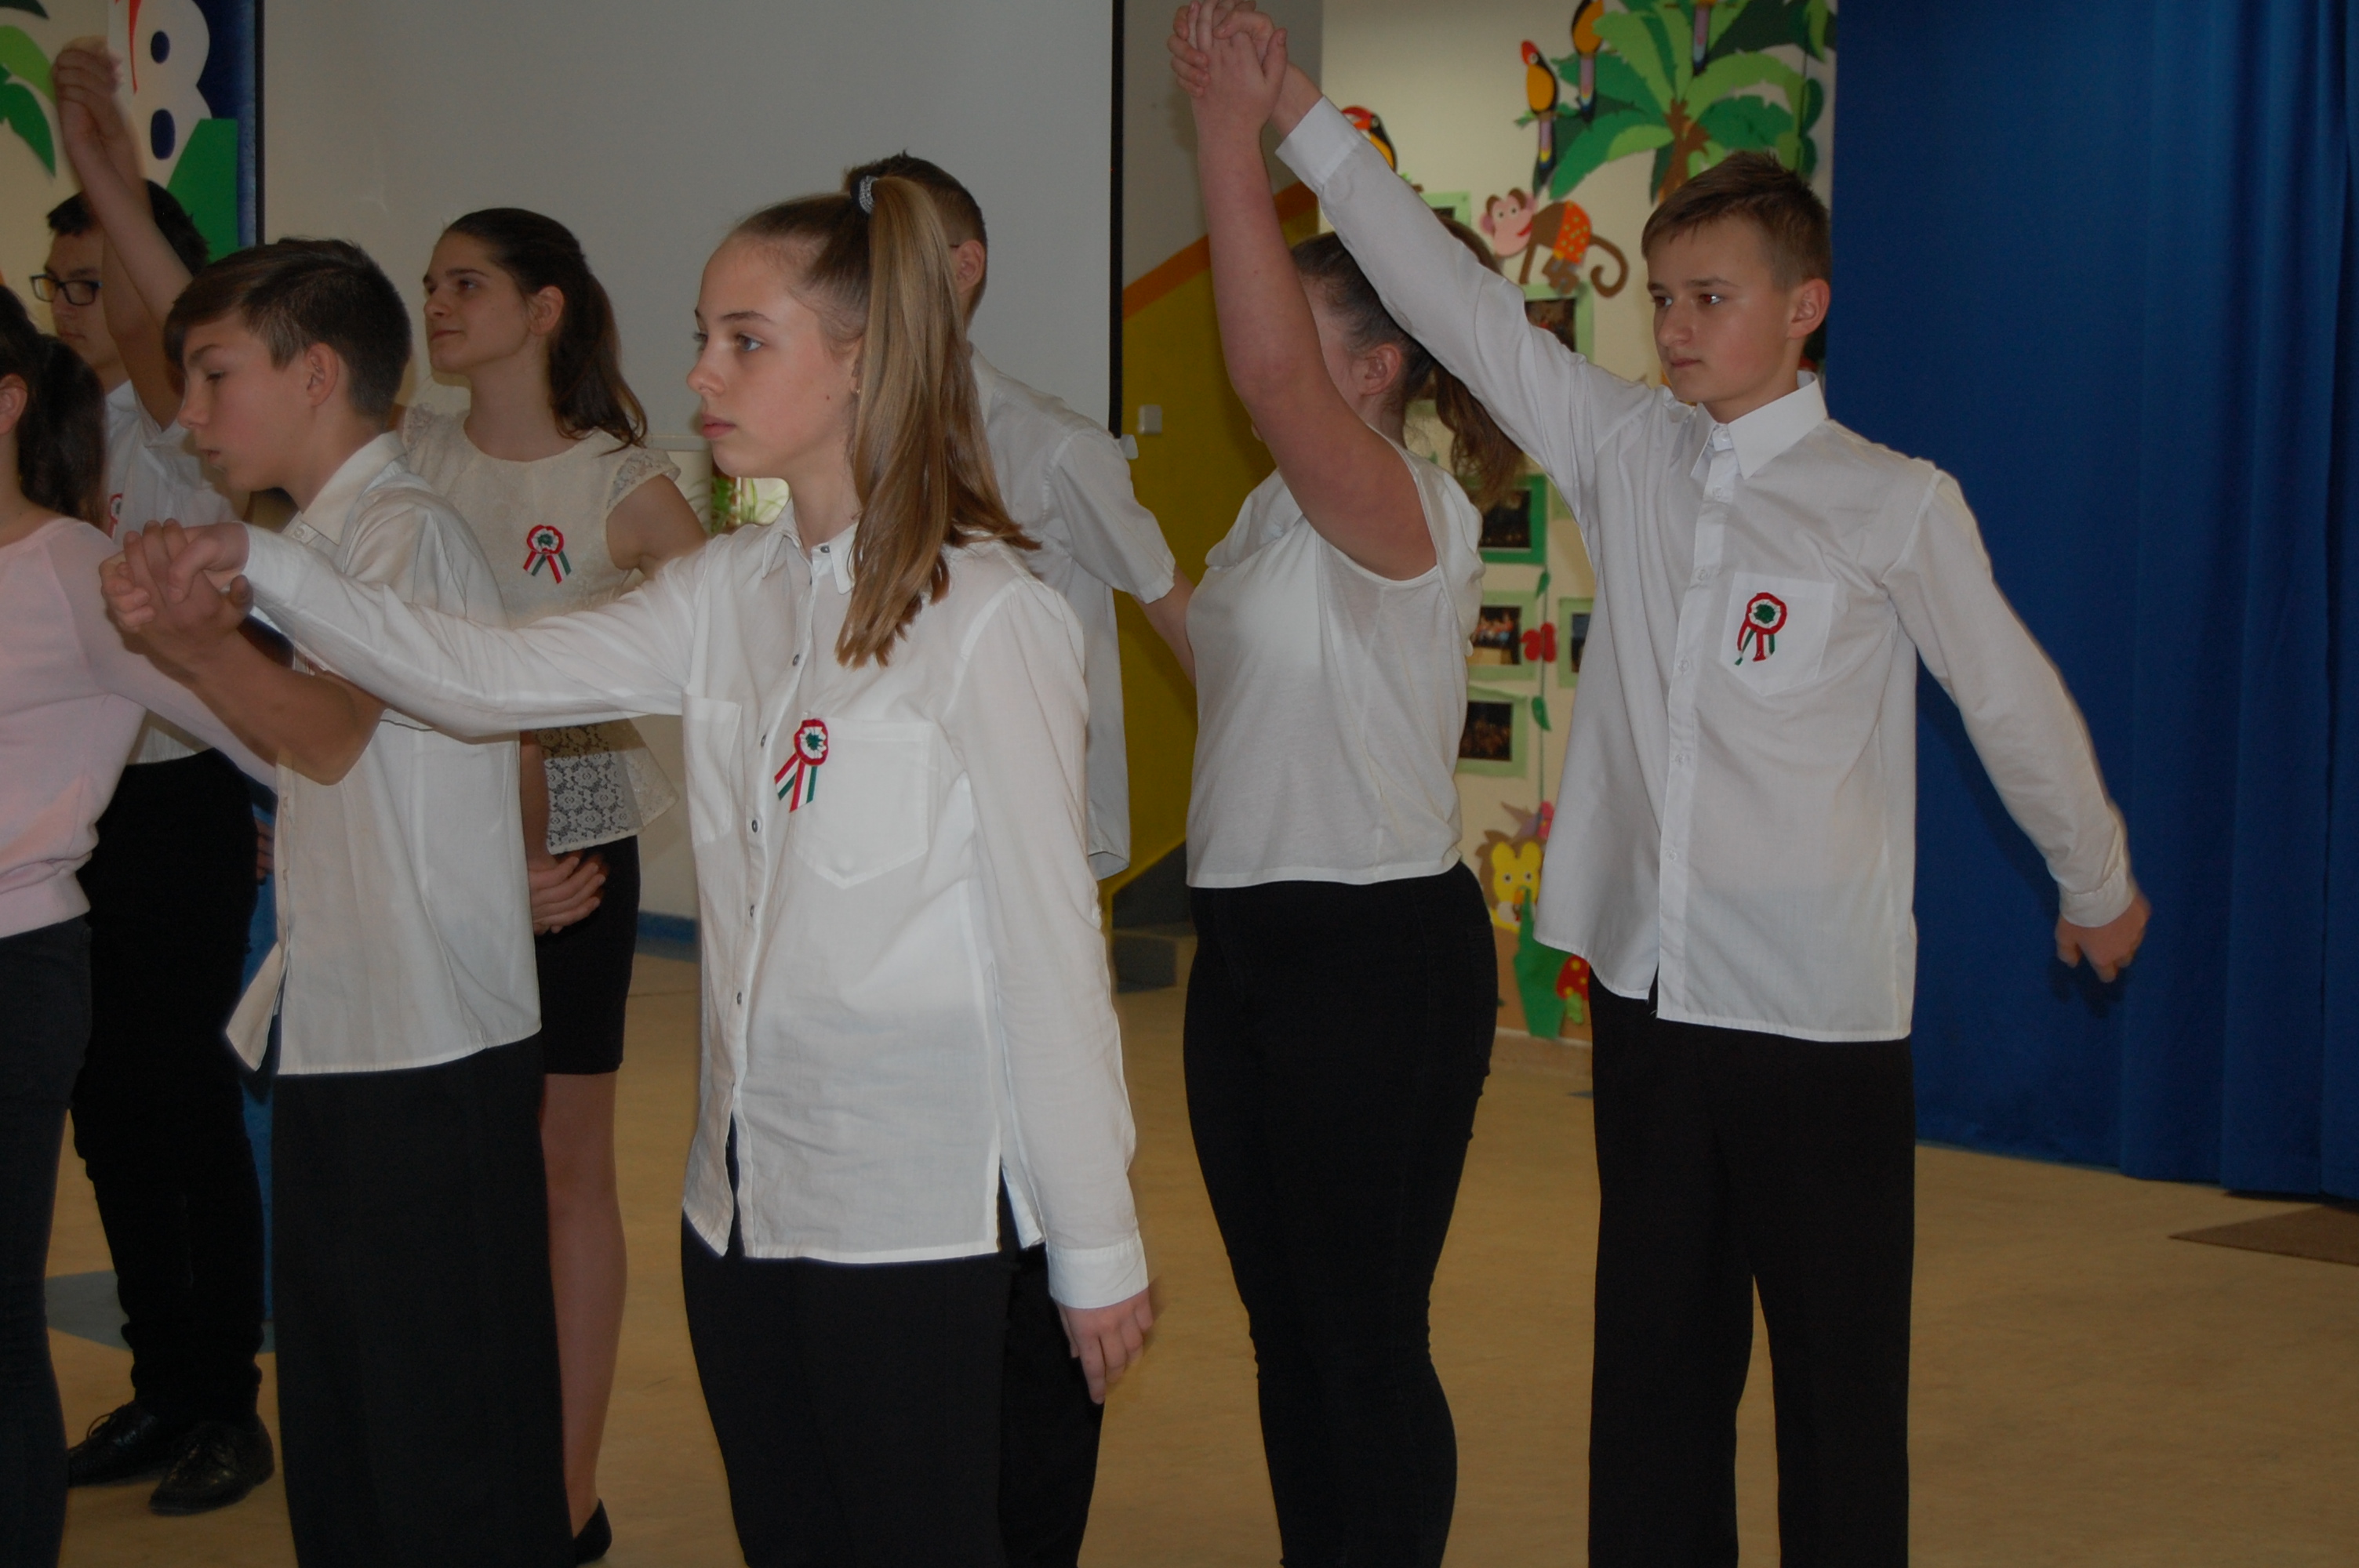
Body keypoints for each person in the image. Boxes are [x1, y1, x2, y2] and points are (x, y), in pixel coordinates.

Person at [1173, 7, 2151, 1563]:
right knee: (1651, 1383)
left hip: (1815, 1012)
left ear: (1803, 308)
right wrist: (1288, 99)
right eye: (1666, 297)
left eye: (1712, 299)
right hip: (1648, 998)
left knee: (1836, 1391)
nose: (1676, 329)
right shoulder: (1625, 448)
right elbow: (1450, 296)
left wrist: (2093, 875)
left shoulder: (1889, 503)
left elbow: (2008, 698)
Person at [111, 174, 1158, 1568]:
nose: (700, 374)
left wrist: (1096, 1243)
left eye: (745, 341)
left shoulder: (990, 616)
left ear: (860, 363)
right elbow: (477, 676)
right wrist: (258, 561)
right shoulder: (733, 588)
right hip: (738, 1215)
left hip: (913, 1220)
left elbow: (1050, 949)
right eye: (701, 338)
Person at [107, 238, 572, 1566]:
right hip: (351, 1034)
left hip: (430, 1051)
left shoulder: (402, 530)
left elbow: (328, 733)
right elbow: (328, 761)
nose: (190, 415)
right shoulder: (316, 538)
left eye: (215, 376)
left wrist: (196, 645)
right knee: (351, 1427)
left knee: (444, 1442)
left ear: (316, 374)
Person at [1166, 13, 1520, 1566]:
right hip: (1244, 941)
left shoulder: (1411, 507)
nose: (1260, 355)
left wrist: (1226, 133)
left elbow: (1264, 371)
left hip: (1376, 952)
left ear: (1375, 367)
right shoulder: (1269, 515)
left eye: (1299, 330)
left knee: (1363, 1333)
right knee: (1286, 1329)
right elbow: (1237, 675)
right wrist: (1110, 545)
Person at [838, 150, 1187, 1568]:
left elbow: (1174, 606)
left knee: (1032, 1200)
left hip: (1021, 874)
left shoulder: (1052, 447)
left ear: (961, 270)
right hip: (885, 891)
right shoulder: (838, 445)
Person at [408, 204, 707, 1561]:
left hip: (573, 826)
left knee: (563, 1161)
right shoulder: (409, 455)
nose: (438, 304)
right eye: (430, 285)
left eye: (466, 284)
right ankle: (466, 1451)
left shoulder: (614, 476)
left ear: (544, 310)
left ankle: (566, 1494)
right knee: (446, 1159)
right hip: (426, 835)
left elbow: (730, 628)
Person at [41, 44, 276, 1516]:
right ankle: (158, 1384)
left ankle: (225, 1405)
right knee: (103, 1110)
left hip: (180, 804)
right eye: (54, 284)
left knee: (183, 1106)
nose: (72, 306)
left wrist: (104, 163)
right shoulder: (48, 441)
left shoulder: (181, 430)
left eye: (93, 280)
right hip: (73, 820)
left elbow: (151, 325)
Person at [0, 287, 267, 1568]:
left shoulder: (73, 565)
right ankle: (164, 1387)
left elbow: (270, 726)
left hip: (31, 947)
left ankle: (210, 1404)